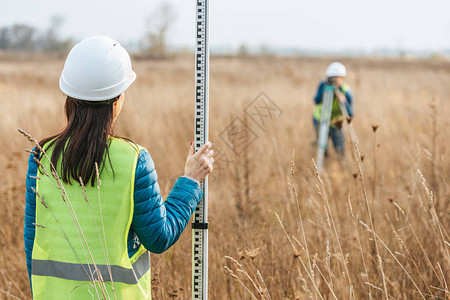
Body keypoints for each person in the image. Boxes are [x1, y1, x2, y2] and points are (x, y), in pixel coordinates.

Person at [23, 35, 214, 299]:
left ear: (69, 96)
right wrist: (190, 182)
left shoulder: (41, 157)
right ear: (116, 101)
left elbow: (32, 244)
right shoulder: (134, 160)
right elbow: (158, 237)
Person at [313, 62, 354, 158]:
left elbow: (351, 113)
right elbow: (316, 100)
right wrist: (324, 93)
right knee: (323, 146)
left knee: (339, 148)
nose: (335, 80)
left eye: (338, 78)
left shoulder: (346, 91)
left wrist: (343, 101)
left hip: (337, 123)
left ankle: (342, 166)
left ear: (343, 78)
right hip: (321, 119)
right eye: (333, 77)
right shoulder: (323, 85)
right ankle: (324, 164)